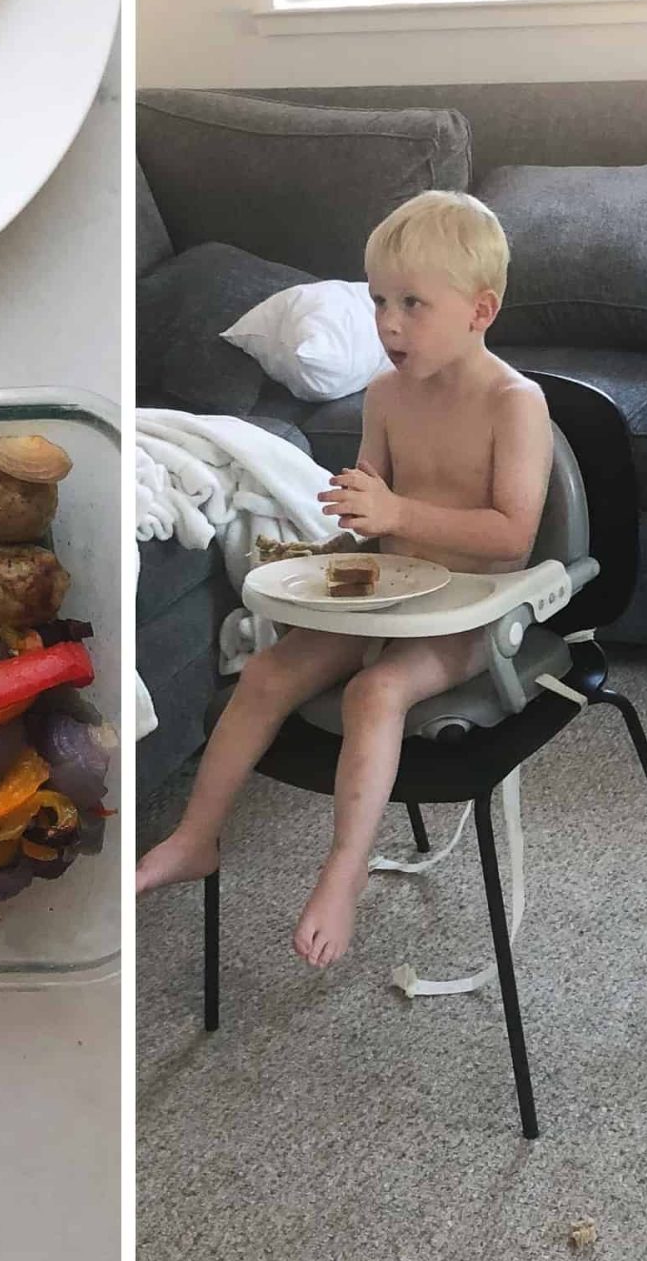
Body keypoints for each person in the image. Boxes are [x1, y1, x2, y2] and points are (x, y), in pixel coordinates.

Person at [135, 191, 555, 966]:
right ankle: (196, 837)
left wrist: (394, 510)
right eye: (379, 302)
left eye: (414, 304)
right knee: (267, 670)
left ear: (480, 309)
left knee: (377, 691)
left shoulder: (513, 403)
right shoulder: (386, 394)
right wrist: (327, 541)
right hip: (388, 592)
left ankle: (343, 872)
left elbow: (512, 534)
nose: (389, 324)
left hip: (470, 613)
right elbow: (369, 512)